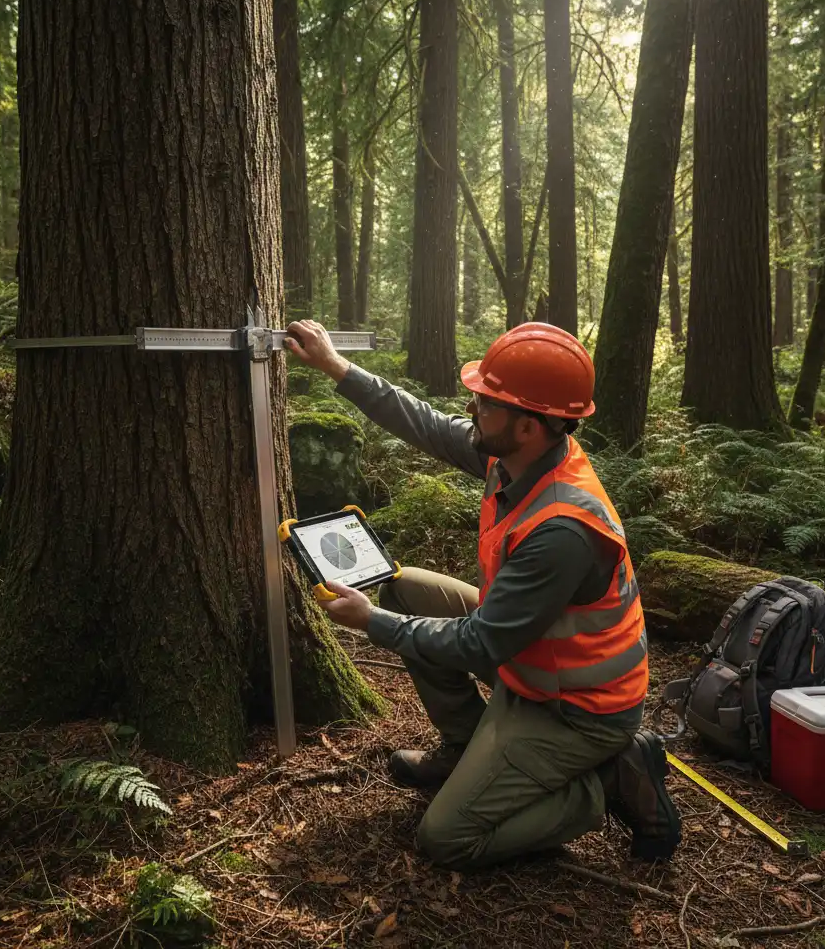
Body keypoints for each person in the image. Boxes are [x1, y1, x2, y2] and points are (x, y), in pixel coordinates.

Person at [284, 319, 681, 871]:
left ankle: (610, 781)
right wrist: (336, 367)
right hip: (533, 659)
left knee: (446, 838)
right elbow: (423, 422)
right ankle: (467, 746)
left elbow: (479, 644)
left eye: (486, 403)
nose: (471, 408)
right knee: (406, 590)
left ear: (529, 426)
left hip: (576, 708)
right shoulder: (514, 455)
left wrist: (371, 621)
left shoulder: (563, 530)